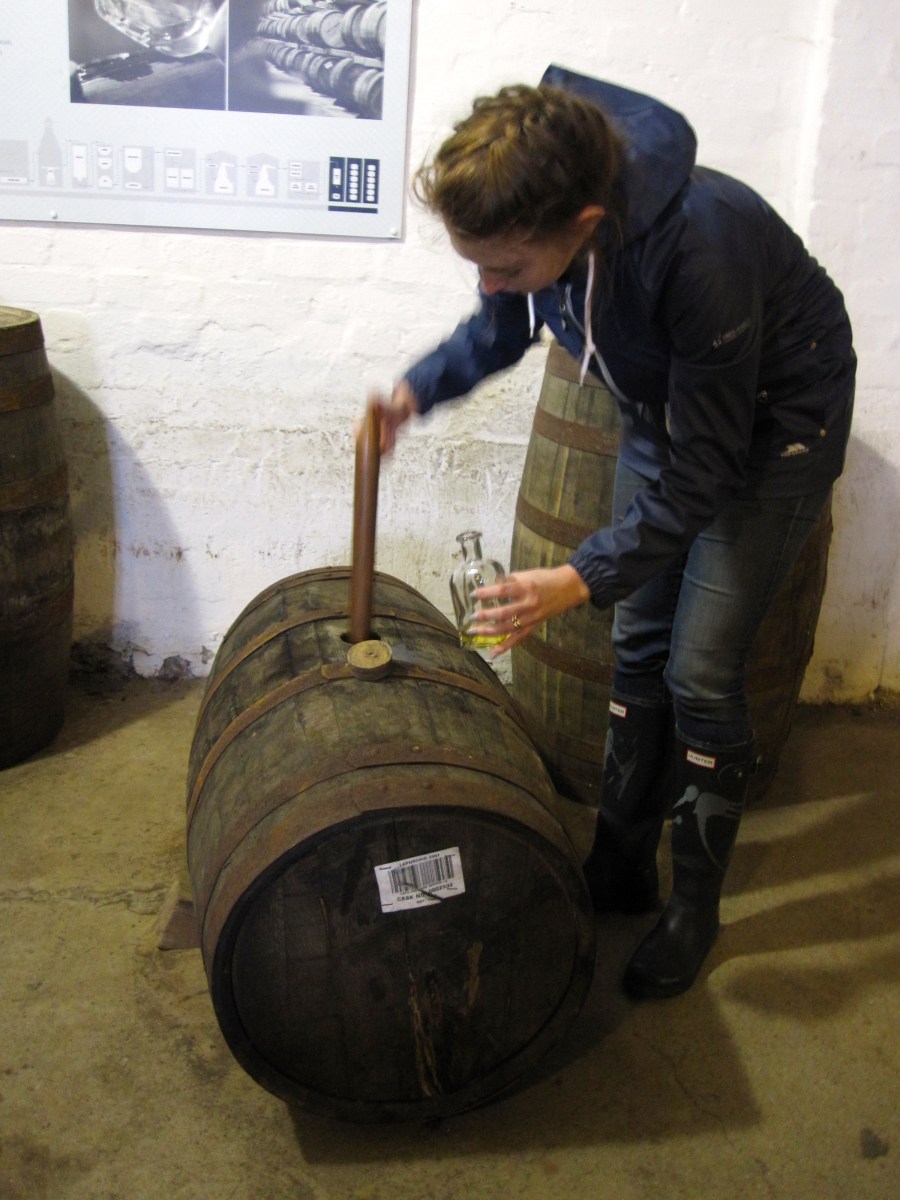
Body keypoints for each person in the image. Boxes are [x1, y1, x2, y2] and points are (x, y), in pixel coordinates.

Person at [368, 65, 856, 999]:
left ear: (586, 224)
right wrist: (415, 390)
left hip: (779, 425)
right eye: (478, 264)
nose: (491, 282)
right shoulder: (539, 219)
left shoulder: (700, 248)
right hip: (666, 404)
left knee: (700, 669)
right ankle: (621, 862)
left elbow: (708, 470)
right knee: (637, 636)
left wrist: (577, 575)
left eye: (506, 267)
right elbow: (502, 324)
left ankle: (694, 910)